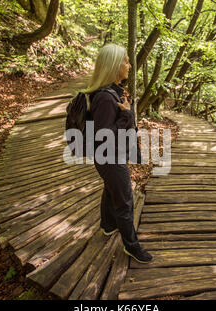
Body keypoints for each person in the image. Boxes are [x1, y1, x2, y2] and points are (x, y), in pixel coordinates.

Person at [83, 43, 153, 263]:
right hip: (109, 156)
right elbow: (105, 136)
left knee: (110, 189)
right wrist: (127, 116)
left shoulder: (113, 91)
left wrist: (125, 110)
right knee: (125, 201)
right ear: (113, 65)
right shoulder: (105, 97)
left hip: (110, 155)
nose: (129, 66)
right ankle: (132, 246)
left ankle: (108, 225)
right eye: (125, 61)